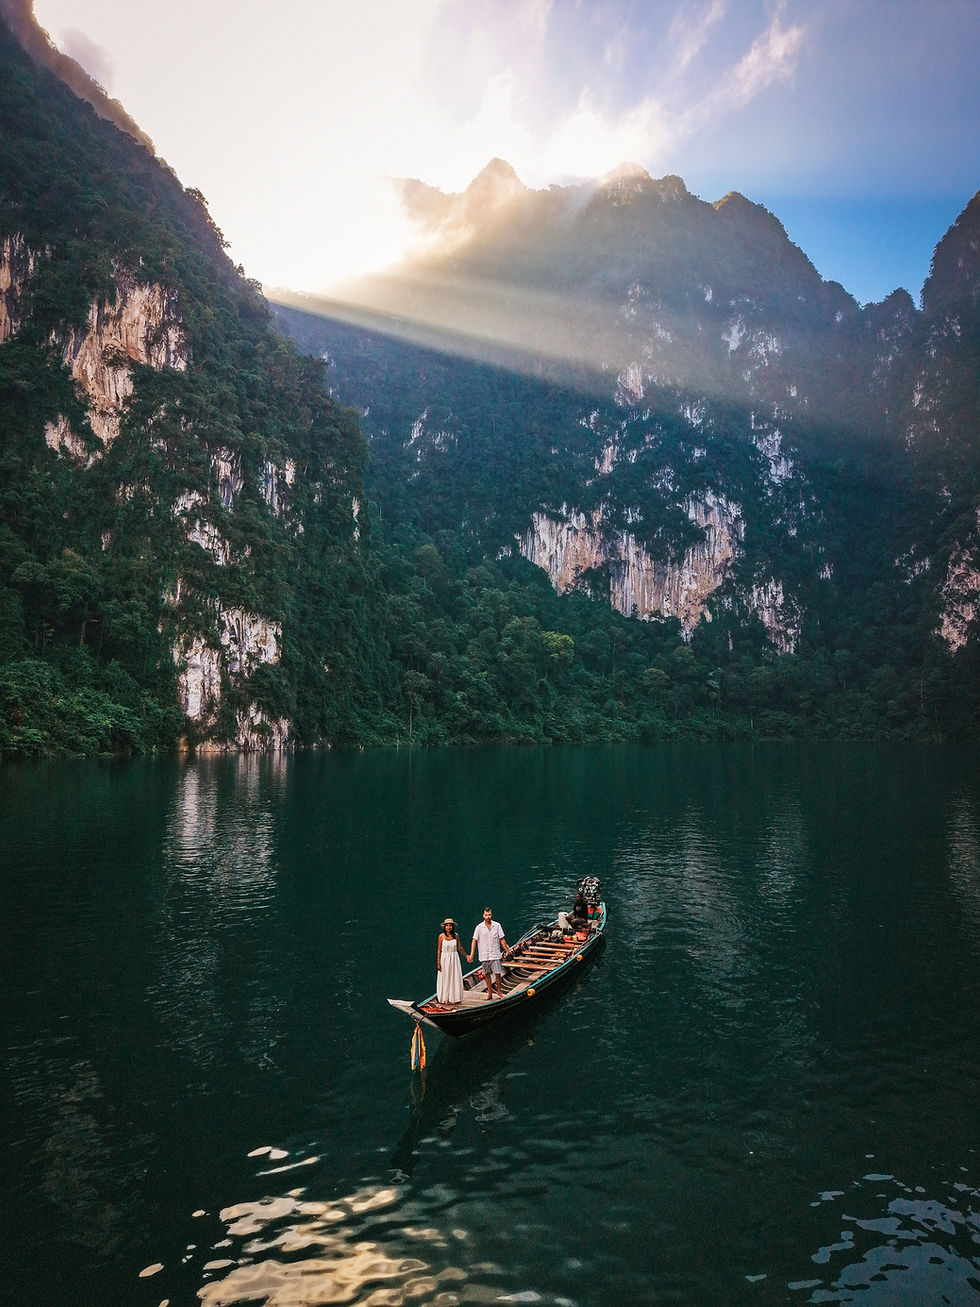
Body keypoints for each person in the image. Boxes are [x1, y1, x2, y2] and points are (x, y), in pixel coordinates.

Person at [468, 907, 509, 1000]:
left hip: (495, 954)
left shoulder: (497, 925)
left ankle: (499, 992)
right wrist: (472, 954)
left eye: (489, 915)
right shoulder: (479, 927)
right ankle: (489, 993)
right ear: (483, 916)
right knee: (486, 974)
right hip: (484, 955)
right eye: (486, 915)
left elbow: (502, 939)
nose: (488, 917)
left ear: (491, 915)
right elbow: (474, 941)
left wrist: (506, 949)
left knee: (498, 973)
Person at [436, 918, 466, 1007]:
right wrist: (438, 963)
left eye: (450, 925)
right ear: (444, 927)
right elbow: (439, 950)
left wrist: (466, 956)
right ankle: (445, 998)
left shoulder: (456, 935)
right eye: (447, 925)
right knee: (445, 977)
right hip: (444, 959)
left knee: (454, 976)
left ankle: (454, 998)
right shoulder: (441, 936)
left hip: (454, 958)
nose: (449, 927)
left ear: (452, 927)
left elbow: (459, 947)